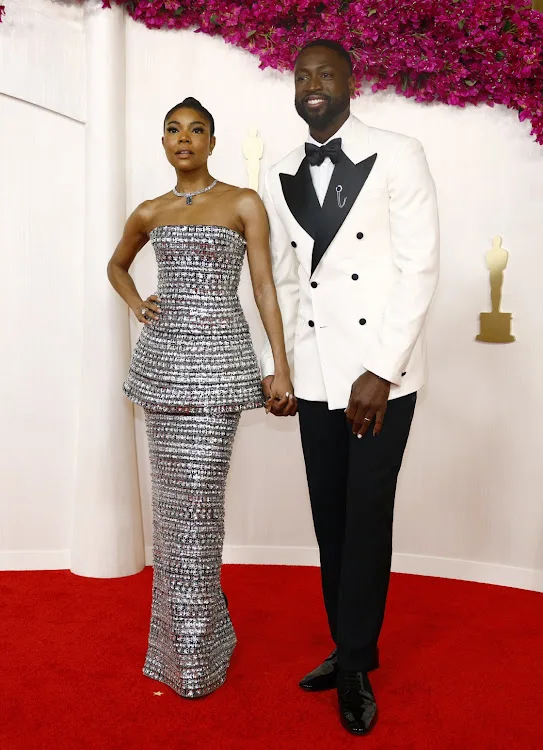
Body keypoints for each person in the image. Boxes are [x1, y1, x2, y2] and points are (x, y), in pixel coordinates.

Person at [261, 41, 439, 734]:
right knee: (329, 516)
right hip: (313, 371)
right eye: (301, 75)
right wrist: (278, 365)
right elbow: (278, 280)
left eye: (324, 73)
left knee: (366, 515)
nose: (312, 84)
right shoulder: (278, 169)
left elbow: (419, 265)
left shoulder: (398, 152)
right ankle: (345, 645)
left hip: (380, 377)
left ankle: (357, 661)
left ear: (350, 82)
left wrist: (382, 369)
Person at [107, 97, 294, 699]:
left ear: (212, 141)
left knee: (199, 507)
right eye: (172, 130)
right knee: (172, 510)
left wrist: (279, 367)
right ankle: (184, 647)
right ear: (163, 143)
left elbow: (264, 285)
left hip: (219, 370)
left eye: (196, 129)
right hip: (163, 369)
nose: (183, 138)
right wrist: (139, 304)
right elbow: (117, 266)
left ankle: (198, 646)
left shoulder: (243, 202)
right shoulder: (150, 209)